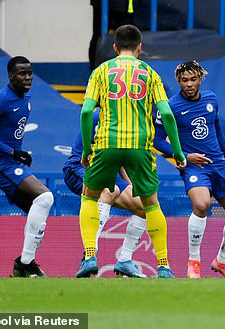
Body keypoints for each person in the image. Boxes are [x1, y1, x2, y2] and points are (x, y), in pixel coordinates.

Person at [76, 24, 185, 279]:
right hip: (140, 146)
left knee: (90, 197)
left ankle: (90, 256)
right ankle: (164, 266)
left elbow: (85, 112)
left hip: (106, 144)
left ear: (115, 48)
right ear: (140, 47)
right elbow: (167, 113)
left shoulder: (101, 71)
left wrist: (87, 149)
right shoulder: (150, 72)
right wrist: (177, 152)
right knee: (151, 204)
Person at [154, 61, 225, 279]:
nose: (189, 84)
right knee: (201, 204)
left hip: (220, 165)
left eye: (193, 79)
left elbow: (218, 133)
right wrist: (184, 156)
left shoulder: (211, 99)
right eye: (184, 80)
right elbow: (157, 140)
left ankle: (222, 261)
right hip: (194, 167)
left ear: (200, 79)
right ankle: (194, 261)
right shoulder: (170, 107)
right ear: (178, 81)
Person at [0, 56, 54, 277]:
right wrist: (11, 152)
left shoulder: (24, 97)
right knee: (45, 197)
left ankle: (24, 265)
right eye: (22, 73)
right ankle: (26, 263)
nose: (28, 77)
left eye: (30, 73)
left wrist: (18, 154)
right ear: (11, 76)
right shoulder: (1, 99)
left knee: (37, 211)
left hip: (10, 161)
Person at [64, 108, 159, 278]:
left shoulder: (128, 118)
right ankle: (89, 255)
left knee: (142, 206)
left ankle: (124, 260)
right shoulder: (98, 116)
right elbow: (99, 154)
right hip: (81, 166)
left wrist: (132, 186)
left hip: (111, 170)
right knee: (110, 189)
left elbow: (118, 157)